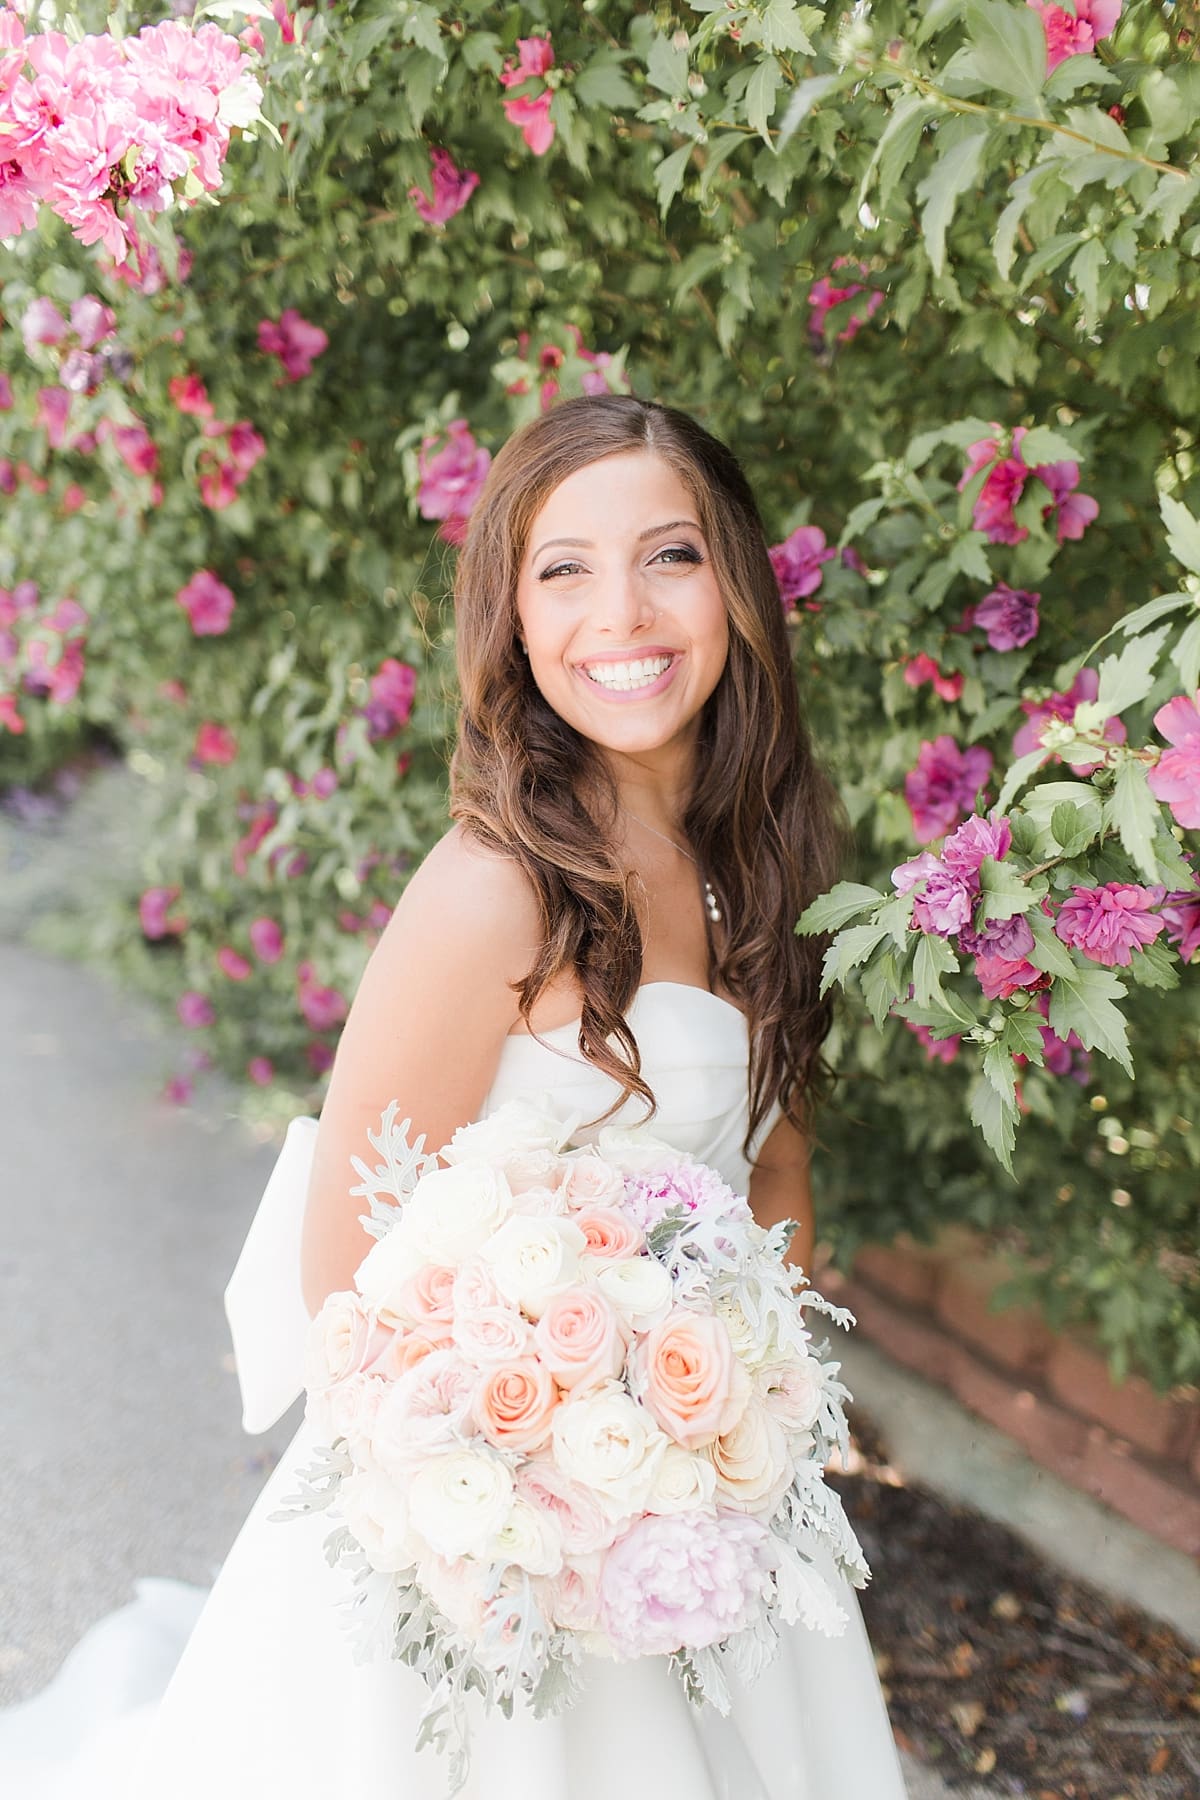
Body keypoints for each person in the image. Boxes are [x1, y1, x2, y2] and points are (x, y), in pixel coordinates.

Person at [2, 395, 908, 1797]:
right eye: (565, 568)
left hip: (703, 1516)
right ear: (514, 616)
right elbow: (338, 1261)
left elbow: (770, 1172)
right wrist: (541, 1484)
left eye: (670, 555)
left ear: (736, 585)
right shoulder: (498, 891)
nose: (623, 610)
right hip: (483, 1538)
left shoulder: (765, 873)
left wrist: (742, 1433)